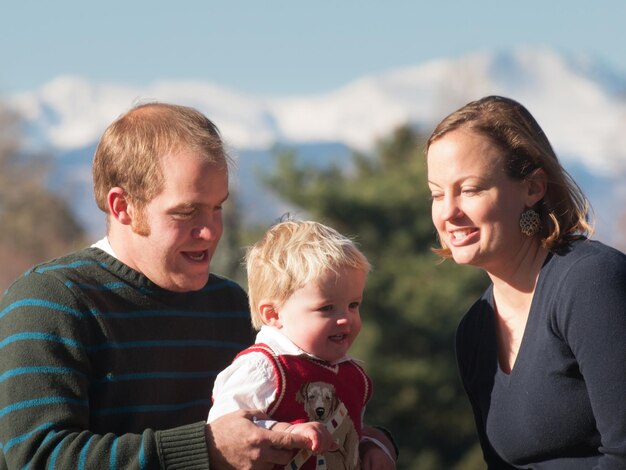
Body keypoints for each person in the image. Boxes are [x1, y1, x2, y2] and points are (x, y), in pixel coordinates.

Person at [0, 102, 314, 469]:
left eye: (217, 208)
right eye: (186, 212)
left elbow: (300, 402)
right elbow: (36, 458)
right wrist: (203, 449)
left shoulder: (230, 305)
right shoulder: (50, 301)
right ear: (123, 207)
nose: (211, 231)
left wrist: (366, 441)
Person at [425, 95, 626, 469]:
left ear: (533, 188)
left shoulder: (590, 283)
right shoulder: (474, 330)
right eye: (437, 194)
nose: (449, 212)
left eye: (469, 190)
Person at [208, 219, 397, 469]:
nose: (346, 319)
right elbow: (224, 434)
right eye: (327, 308)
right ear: (273, 314)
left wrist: (372, 447)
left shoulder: (350, 374)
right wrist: (281, 430)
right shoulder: (263, 368)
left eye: (353, 305)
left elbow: (349, 436)